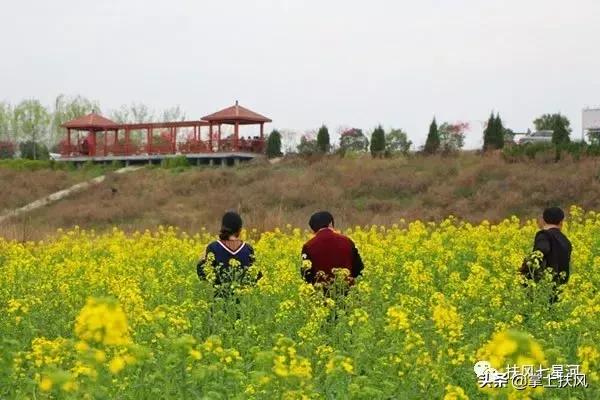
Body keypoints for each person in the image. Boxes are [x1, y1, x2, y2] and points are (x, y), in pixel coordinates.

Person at [197, 212, 259, 295]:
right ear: (240, 230)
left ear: (223, 228)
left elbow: (204, 275)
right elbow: (256, 276)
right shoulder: (248, 249)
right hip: (244, 301)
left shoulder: (213, 247)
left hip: (218, 302)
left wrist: (200, 261)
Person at [300, 211, 364, 288]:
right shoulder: (348, 241)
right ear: (330, 223)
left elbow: (306, 274)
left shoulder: (308, 246)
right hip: (347, 291)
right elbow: (358, 268)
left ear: (313, 228)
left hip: (320, 294)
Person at [521, 207, 572, 301]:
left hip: (544, 291)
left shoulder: (544, 235)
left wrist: (524, 271)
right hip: (560, 291)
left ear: (543, 220)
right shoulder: (566, 241)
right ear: (561, 222)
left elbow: (539, 253)